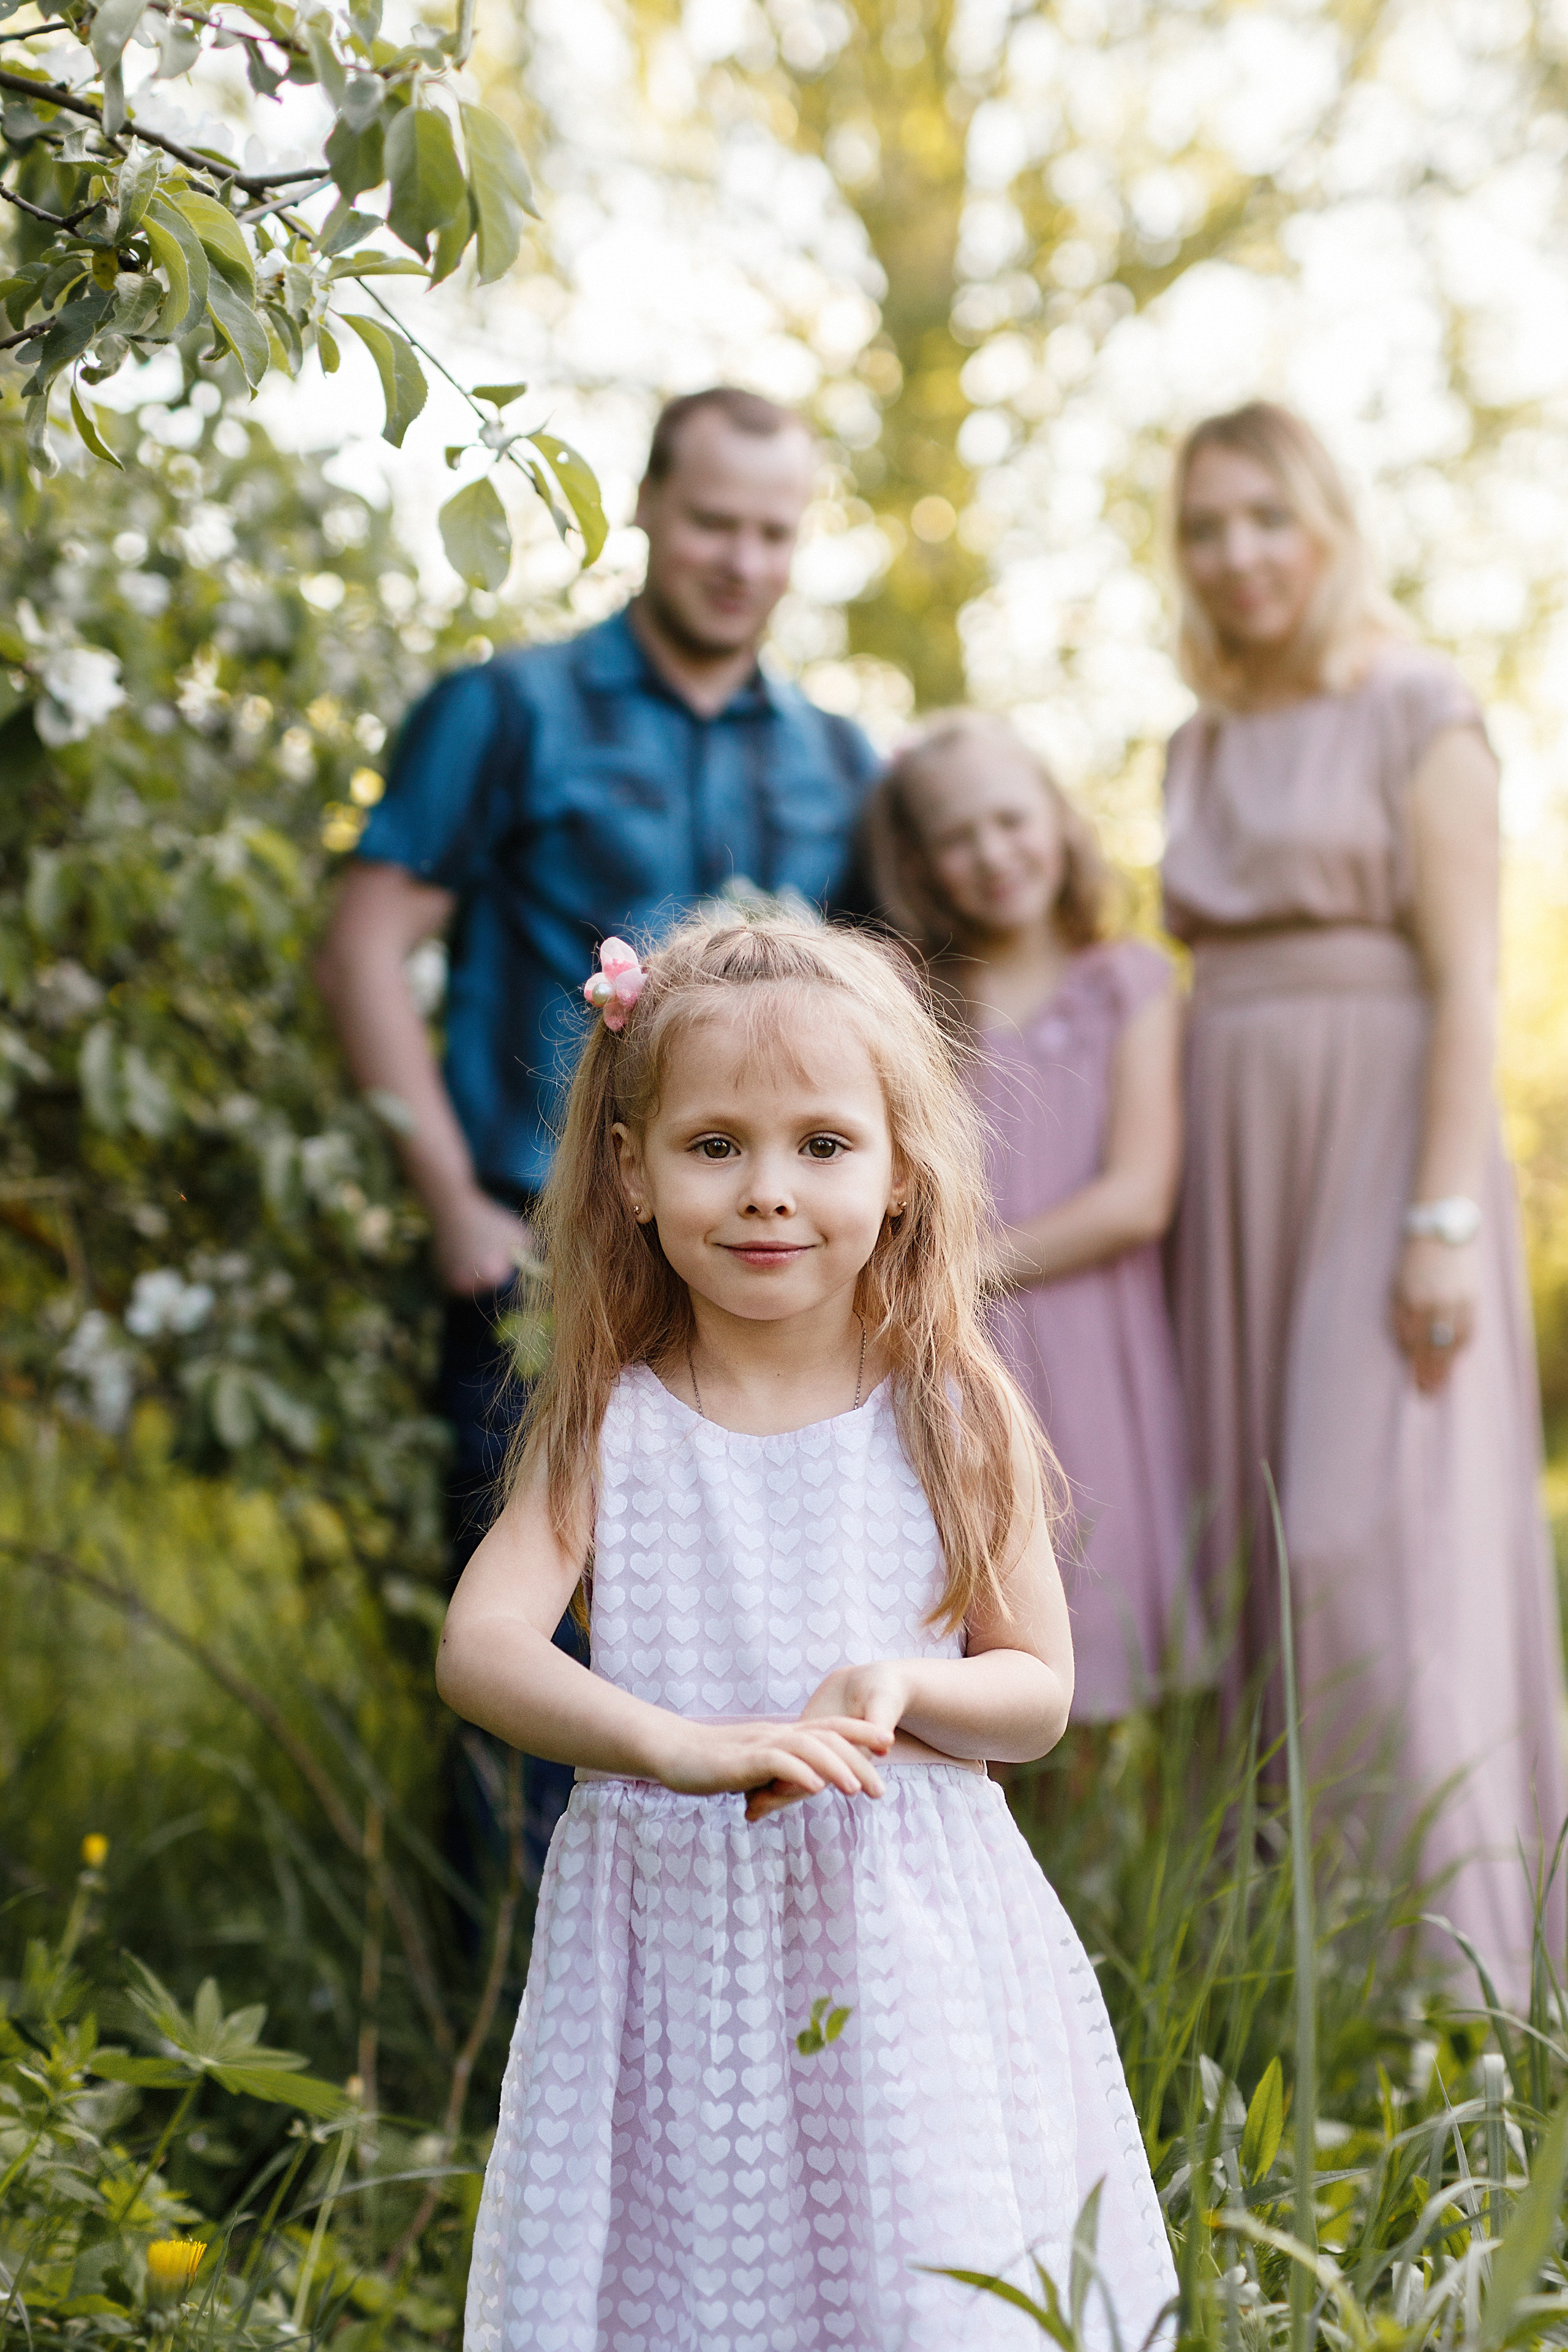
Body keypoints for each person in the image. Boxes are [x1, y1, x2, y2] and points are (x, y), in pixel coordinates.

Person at [437, 912, 1177, 2350]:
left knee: (917, 2259)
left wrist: (904, 1685)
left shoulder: (950, 1412)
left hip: (907, 1933)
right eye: (714, 1145)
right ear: (631, 1175)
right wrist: (673, 1744)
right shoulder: (609, 1425)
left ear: (902, 1175)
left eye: (821, 1147)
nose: (767, 1192)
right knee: (697, 2268)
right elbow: (483, 1648)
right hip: (670, 1937)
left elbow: (1034, 1693)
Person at [315, 388, 877, 1878]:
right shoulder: (508, 711)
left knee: (752, 1640)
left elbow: (890, 1030)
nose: (739, 559)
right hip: (538, 1258)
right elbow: (364, 947)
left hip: (760, 1289)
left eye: (773, 531)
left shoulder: (838, 762)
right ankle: (505, 2047)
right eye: (711, 520)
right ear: (644, 506)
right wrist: (452, 1203)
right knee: (530, 1649)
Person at [1161, 398, 1566, 1997]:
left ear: (1329, 524)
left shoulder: (1423, 709)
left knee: (1356, 1535)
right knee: (1242, 1538)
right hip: (1231, 1134)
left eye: (1269, 516)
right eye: (1206, 527)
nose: (1240, 553)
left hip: (1389, 1140)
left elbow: (1473, 983)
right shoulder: (1198, 738)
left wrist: (1443, 1220)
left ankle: (1450, 1977)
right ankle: (1282, 1958)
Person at [866, 711, 1195, 1721]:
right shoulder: (913, 1000)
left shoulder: (1127, 981)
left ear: (1057, 818)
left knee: (1098, 1596)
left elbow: (1139, 1197)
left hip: (1092, 1342)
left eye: (1012, 820)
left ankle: (1111, 1868)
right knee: (964, 1609)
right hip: (950, 1351)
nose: (994, 854)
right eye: (958, 838)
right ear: (920, 864)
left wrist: (967, 1269)